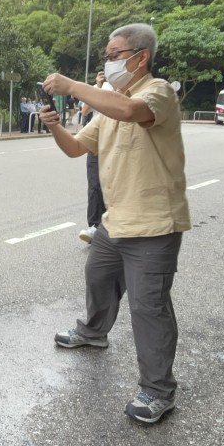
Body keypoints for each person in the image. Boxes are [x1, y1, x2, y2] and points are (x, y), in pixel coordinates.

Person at [39, 23, 191, 424]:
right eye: (106, 55)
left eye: (114, 54)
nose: (109, 62)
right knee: (97, 276)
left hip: (154, 224)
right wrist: (55, 125)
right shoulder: (109, 106)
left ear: (141, 57)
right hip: (115, 221)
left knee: (148, 307)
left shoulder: (157, 93)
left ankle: (159, 391)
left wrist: (72, 86)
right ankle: (93, 332)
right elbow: (75, 148)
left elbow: (129, 112)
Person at [78, 71, 108, 244]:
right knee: (95, 184)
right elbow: (84, 110)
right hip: (97, 140)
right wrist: (97, 87)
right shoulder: (95, 89)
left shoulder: (124, 88)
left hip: (117, 142)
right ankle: (95, 226)